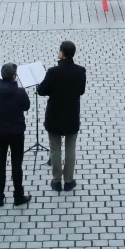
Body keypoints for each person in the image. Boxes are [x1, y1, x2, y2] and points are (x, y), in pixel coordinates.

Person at [37, 40, 87, 191]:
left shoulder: (53, 72)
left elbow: (42, 91)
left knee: (56, 149)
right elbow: (81, 91)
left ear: (62, 54)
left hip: (55, 117)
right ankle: (69, 180)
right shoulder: (80, 71)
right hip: (71, 116)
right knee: (70, 148)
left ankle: (56, 181)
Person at [0, 62, 31, 206]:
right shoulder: (20, 92)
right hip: (16, 133)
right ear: (14, 76)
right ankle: (18, 195)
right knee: (16, 165)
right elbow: (26, 106)